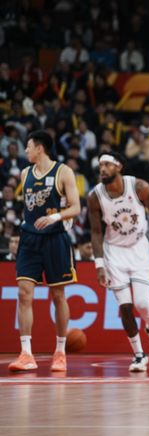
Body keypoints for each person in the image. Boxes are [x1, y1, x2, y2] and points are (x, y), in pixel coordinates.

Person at [87, 152, 149, 372]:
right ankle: (139, 355)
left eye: (107, 164)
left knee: (142, 304)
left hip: (139, 248)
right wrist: (99, 265)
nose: (102, 169)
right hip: (114, 252)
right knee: (125, 307)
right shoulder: (95, 196)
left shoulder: (139, 187)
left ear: (119, 166)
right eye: (100, 165)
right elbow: (96, 232)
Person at [10, 130, 80, 372]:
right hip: (30, 239)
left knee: (58, 295)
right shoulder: (25, 173)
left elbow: (76, 207)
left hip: (54, 238)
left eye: (28, 146)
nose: (25, 150)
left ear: (39, 148)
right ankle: (26, 354)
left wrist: (56, 217)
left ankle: (60, 352)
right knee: (23, 293)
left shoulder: (63, 172)